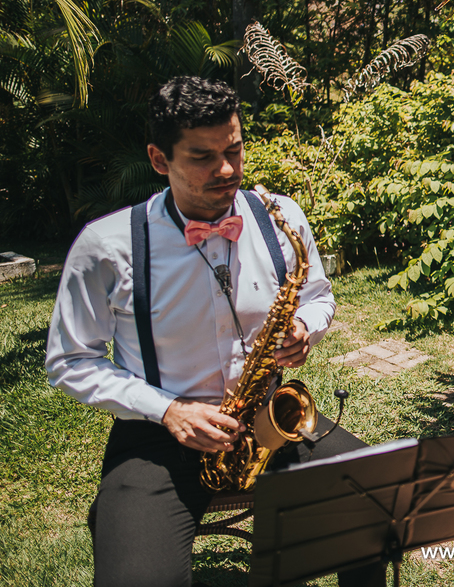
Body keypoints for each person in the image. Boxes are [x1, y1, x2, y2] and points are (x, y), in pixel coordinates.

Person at [45, 76, 383, 587]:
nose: (227, 170)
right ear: (160, 160)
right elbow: (69, 360)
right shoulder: (107, 246)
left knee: (375, 501)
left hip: (269, 418)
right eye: (203, 157)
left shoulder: (280, 216)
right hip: (158, 436)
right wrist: (169, 411)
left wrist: (303, 329)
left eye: (235, 149)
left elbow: (318, 295)